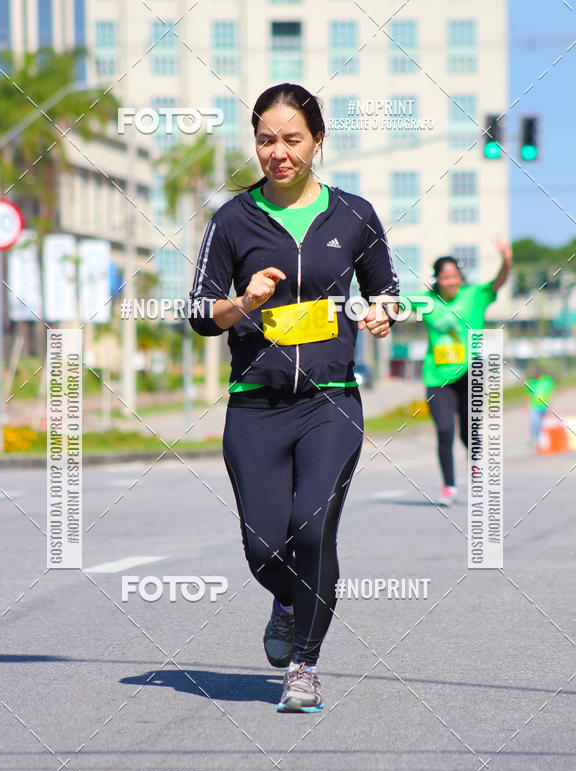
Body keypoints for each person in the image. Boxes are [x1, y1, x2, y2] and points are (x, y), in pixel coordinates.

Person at [188, 83, 399, 712]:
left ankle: (303, 667)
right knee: (263, 549)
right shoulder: (233, 219)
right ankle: (288, 599)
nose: (278, 152)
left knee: (313, 529)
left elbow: (388, 289)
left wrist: (385, 314)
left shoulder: (354, 214)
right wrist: (245, 302)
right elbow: (200, 312)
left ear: (317, 141)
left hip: (330, 402)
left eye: (291, 139)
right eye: (265, 140)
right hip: (255, 405)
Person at [406, 241, 512, 505]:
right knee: (444, 430)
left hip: (470, 372)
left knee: (469, 431)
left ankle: (476, 467)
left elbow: (497, 283)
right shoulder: (426, 302)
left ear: (460, 277)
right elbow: (395, 303)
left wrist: (506, 262)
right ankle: (449, 486)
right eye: (445, 277)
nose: (451, 281)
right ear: (437, 279)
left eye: (454, 276)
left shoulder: (475, 295)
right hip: (436, 376)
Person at [526, 366, 555, 445]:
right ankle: (534, 438)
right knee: (535, 422)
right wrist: (526, 405)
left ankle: (544, 438)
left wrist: (550, 406)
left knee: (545, 423)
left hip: (545, 405)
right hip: (535, 405)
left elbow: (551, 392)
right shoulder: (532, 382)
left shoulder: (546, 380)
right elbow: (529, 394)